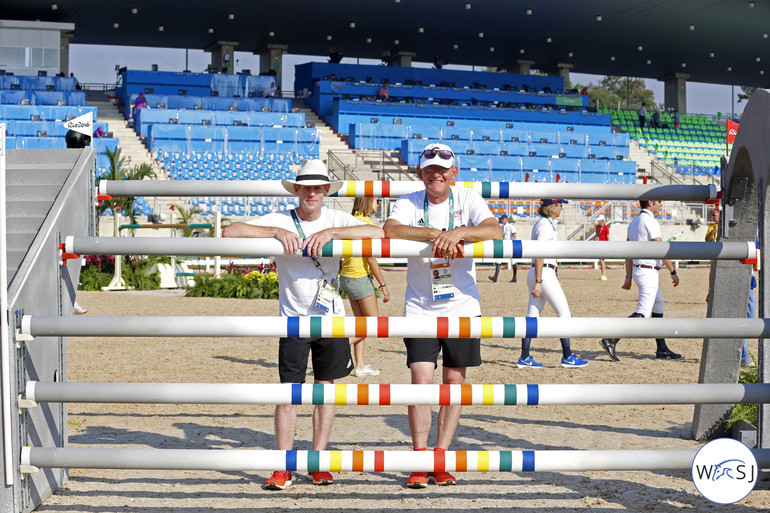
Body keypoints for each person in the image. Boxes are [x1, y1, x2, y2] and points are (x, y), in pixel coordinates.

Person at [222, 160, 384, 490]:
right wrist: (276, 233)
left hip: (331, 319)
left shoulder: (337, 218)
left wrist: (333, 232)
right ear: (297, 190)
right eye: (306, 187)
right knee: (288, 395)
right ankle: (283, 465)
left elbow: (378, 232)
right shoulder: (282, 218)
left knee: (325, 391)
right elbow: (230, 230)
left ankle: (318, 461)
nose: (311, 192)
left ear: (327, 191)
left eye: (318, 187)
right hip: (293, 320)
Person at [383, 142, 502, 488]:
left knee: (454, 384)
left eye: (441, 169)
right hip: (420, 307)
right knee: (420, 382)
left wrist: (460, 232)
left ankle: (441, 457)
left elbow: (494, 230)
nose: (436, 174)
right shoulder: (408, 201)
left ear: (454, 173)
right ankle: (420, 458)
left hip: (463, 307)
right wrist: (436, 235)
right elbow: (391, 229)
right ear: (420, 173)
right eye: (429, 168)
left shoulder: (467, 198)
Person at [600, 200, 682, 361]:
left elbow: (628, 252)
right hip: (648, 271)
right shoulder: (650, 221)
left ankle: (661, 348)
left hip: (640, 270)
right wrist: (673, 271)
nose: (661, 204)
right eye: (659, 202)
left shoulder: (634, 222)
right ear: (651, 203)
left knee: (658, 306)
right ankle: (610, 339)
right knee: (643, 313)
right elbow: (661, 249)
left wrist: (629, 275)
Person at [517, 199, 588, 369]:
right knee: (564, 314)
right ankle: (567, 356)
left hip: (540, 272)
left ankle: (525, 357)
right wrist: (540, 281)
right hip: (542, 273)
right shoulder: (545, 225)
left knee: (532, 316)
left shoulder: (545, 223)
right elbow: (540, 253)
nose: (562, 208)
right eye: (560, 205)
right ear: (553, 207)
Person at [339, 197, 391, 377]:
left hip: (347, 277)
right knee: (373, 324)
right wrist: (383, 285)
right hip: (360, 278)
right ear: (368, 202)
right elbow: (370, 258)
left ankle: (359, 366)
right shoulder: (366, 225)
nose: (378, 204)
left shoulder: (349, 221)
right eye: (377, 200)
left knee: (360, 323)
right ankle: (340, 345)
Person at [489, 215, 517, 282]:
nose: (501, 220)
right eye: (501, 219)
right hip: (503, 245)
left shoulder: (511, 226)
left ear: (506, 219)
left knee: (513, 261)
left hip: (510, 245)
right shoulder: (501, 227)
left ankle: (514, 277)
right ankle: (495, 277)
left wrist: (513, 244)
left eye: (502, 219)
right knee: (498, 260)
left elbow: (514, 236)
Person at [595, 214, 610, 280]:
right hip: (599, 244)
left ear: (603, 220)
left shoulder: (606, 227)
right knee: (600, 260)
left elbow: (608, 236)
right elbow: (596, 235)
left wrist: (608, 244)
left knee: (601, 260)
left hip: (603, 245)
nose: (598, 221)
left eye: (599, 220)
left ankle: (604, 274)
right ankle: (603, 274)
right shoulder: (598, 227)